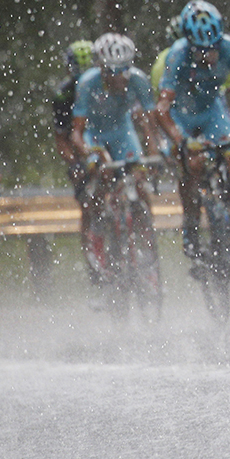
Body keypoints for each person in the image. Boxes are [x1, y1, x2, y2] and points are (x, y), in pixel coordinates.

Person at [156, 0, 230, 262]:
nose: (208, 56)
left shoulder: (229, 47)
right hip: (181, 115)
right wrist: (179, 139)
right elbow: (161, 109)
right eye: (201, 51)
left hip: (211, 111)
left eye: (213, 49)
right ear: (190, 44)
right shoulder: (177, 54)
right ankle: (191, 226)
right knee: (192, 166)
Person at [71, 33, 160, 294]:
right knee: (102, 183)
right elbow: (77, 131)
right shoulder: (88, 83)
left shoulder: (139, 80)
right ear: (100, 67)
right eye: (113, 71)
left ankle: (145, 240)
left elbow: (149, 122)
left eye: (125, 70)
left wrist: (154, 155)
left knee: (139, 183)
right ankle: (98, 241)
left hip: (122, 133)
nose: (120, 77)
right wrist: (89, 152)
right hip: (94, 135)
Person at [53, 39, 96, 274]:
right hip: (78, 152)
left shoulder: (104, 84)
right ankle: (92, 264)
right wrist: (73, 162)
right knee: (88, 206)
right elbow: (62, 139)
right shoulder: (64, 94)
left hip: (104, 144)